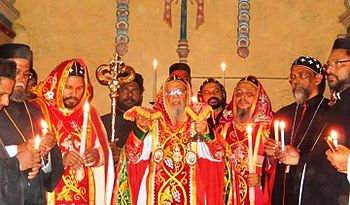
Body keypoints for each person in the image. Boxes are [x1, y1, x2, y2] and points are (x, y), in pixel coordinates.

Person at [111, 75, 226, 205]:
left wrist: (207, 133)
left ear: (187, 94)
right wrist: (140, 130)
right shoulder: (153, 123)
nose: (175, 96)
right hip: (155, 196)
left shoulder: (197, 124)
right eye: (170, 92)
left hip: (191, 196)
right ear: (164, 97)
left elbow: (219, 155)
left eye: (179, 91)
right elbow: (132, 157)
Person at [32, 58, 114, 205]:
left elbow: (104, 151)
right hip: (50, 191)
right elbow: (30, 149)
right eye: (68, 87)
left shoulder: (89, 113)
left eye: (79, 88)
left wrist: (95, 156)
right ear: (58, 84)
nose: (74, 94)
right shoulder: (38, 108)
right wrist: (61, 158)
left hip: (85, 192)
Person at [0, 43, 64, 205]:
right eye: (16, 72)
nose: (21, 80)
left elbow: (48, 172)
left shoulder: (35, 111)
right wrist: (19, 154)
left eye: (26, 74)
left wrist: (45, 155)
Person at [264, 56, 329, 205]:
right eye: (292, 76)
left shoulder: (330, 112)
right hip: (282, 191)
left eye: (302, 75)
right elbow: (271, 163)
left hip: (312, 192)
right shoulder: (283, 113)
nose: (295, 80)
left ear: (317, 79)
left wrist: (300, 158)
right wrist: (271, 155)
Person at [218, 75, 273, 205]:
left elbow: (278, 166)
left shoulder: (268, 129)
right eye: (238, 93)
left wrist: (263, 180)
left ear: (259, 98)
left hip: (257, 196)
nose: (242, 97)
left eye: (249, 94)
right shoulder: (222, 129)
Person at [0, 58, 41, 205]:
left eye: (26, 74)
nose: (5, 102)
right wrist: (17, 162)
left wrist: (35, 163)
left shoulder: (35, 110)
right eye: (1, 94)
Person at [101, 71, 144, 164]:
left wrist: (123, 155)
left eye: (135, 90)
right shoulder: (102, 123)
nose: (130, 95)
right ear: (116, 92)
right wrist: (105, 151)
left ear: (141, 95)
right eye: (125, 89)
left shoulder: (146, 123)